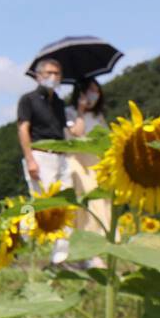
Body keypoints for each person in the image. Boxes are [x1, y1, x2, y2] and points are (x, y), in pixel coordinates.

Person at [17, 58, 71, 264]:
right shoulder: (28, 99)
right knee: (38, 202)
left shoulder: (59, 102)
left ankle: (60, 257)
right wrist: (30, 159)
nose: (53, 77)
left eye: (57, 74)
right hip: (39, 155)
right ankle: (18, 242)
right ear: (38, 75)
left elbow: (64, 130)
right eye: (49, 73)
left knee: (64, 205)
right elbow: (23, 129)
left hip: (61, 156)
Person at [66, 78, 111, 243]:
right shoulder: (69, 112)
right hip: (78, 160)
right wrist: (80, 110)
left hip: (97, 161)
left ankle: (102, 238)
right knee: (86, 197)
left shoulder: (98, 116)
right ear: (81, 93)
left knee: (102, 199)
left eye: (97, 91)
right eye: (91, 90)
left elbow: (107, 138)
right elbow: (77, 133)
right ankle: (83, 238)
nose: (95, 94)